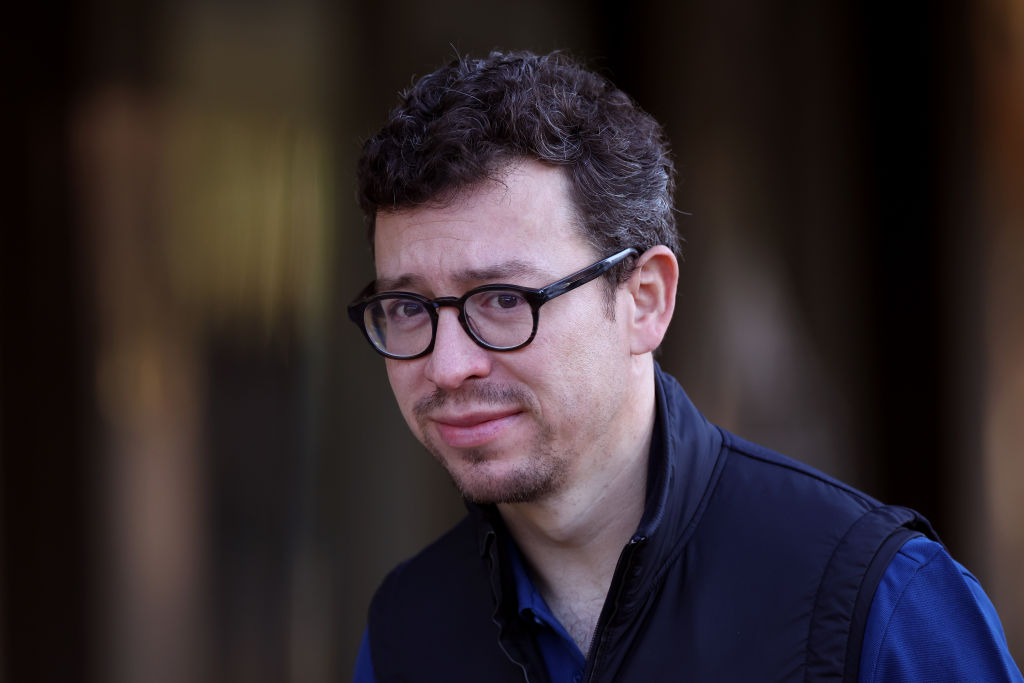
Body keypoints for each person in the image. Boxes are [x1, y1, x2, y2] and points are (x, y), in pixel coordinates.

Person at [348, 50, 1022, 682]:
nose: (447, 365)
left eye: (503, 300)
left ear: (646, 299)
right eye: (407, 307)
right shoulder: (407, 630)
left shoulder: (871, 598)